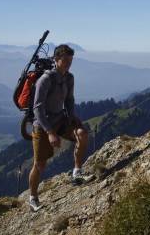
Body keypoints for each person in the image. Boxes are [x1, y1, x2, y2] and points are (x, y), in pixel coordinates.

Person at [28, 44, 93, 211]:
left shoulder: (69, 78)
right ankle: (33, 198)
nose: (68, 64)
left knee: (82, 133)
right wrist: (50, 132)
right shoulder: (46, 80)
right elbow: (37, 108)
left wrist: (72, 117)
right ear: (56, 60)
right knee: (40, 164)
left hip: (61, 119)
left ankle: (77, 173)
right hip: (43, 125)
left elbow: (69, 100)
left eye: (70, 60)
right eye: (65, 60)